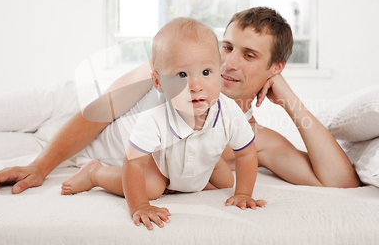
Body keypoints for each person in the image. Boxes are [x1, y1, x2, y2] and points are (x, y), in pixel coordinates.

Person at [0, 6, 360, 199]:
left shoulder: (252, 137)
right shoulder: (177, 69)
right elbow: (99, 111)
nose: (229, 62)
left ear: (276, 67)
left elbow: (341, 184)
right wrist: (39, 168)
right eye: (227, 47)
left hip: (78, 152)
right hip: (66, 116)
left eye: (250, 55)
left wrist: (289, 99)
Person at [60, 18, 265, 230]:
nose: (196, 86)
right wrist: (140, 205)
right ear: (159, 82)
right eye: (182, 75)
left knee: (226, 182)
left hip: (204, 162)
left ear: (219, 71)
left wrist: (243, 194)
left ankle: (180, 181)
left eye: (206, 72)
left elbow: (247, 154)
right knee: (151, 188)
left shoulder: (229, 111)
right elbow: (134, 163)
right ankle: (95, 173)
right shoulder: (154, 118)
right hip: (162, 164)